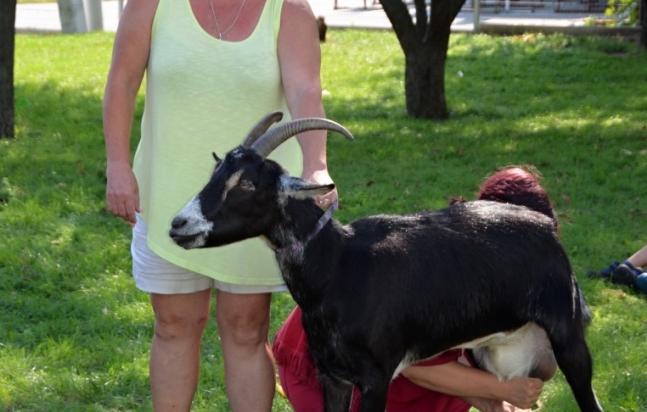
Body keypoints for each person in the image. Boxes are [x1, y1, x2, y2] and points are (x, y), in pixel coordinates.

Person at [102, 0, 335, 410]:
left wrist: (316, 165)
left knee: (246, 329)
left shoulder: (289, 11)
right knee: (174, 325)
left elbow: (305, 90)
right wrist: (118, 165)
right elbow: (121, 81)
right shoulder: (152, 5)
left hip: (251, 207)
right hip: (169, 189)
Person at [273, 166, 555, 412]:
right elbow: (415, 366)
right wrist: (500, 390)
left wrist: (489, 401)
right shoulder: (454, 266)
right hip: (319, 371)